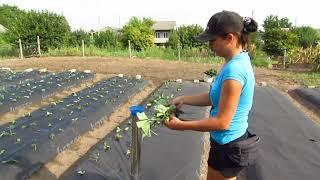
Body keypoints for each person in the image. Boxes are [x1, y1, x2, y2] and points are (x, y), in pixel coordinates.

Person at [164, 10, 260, 180]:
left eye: (212, 41)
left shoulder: (234, 71)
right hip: (229, 142)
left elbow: (222, 123)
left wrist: (181, 125)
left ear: (230, 38)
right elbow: (213, 97)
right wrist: (184, 99)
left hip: (228, 146)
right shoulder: (235, 61)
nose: (210, 46)